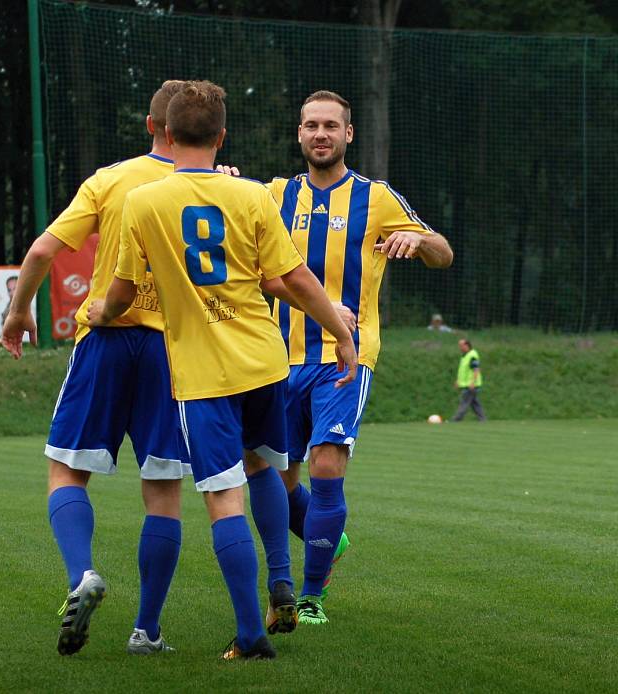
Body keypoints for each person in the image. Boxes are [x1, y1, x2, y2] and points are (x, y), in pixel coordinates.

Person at [87, 80, 358, 660]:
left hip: (204, 374)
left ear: (164, 131)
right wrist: (340, 332)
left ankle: (250, 635)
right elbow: (295, 279)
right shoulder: (254, 196)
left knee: (222, 499)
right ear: (221, 136)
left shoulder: (143, 202)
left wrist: (99, 314)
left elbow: (122, 291)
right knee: (266, 466)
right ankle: (280, 579)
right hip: (264, 359)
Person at [1, 81, 189, 657]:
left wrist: (18, 312)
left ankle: (82, 575)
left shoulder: (109, 180)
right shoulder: (216, 186)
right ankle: (147, 631)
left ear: (150, 126)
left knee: (65, 471)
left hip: (105, 339)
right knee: (162, 492)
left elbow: (40, 253)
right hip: (171, 349)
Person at [262, 90, 454, 625]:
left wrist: (418, 242)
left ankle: (311, 595)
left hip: (346, 357)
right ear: (299, 134)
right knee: (274, 479)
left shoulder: (377, 197)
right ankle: (328, 539)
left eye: (330, 126)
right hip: (278, 358)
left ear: (348, 135)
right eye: (310, 126)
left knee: (327, 464)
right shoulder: (273, 195)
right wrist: (223, 174)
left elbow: (444, 252)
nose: (320, 134)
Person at [451, 339, 486, 421]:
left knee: (464, 402)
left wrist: (472, 382)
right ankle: (483, 419)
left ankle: (456, 419)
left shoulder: (472, 355)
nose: (460, 347)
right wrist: (458, 381)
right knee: (475, 403)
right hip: (466, 384)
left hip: (471, 385)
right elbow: (463, 371)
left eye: (461, 345)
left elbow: (476, 370)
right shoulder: (465, 356)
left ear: (467, 345)